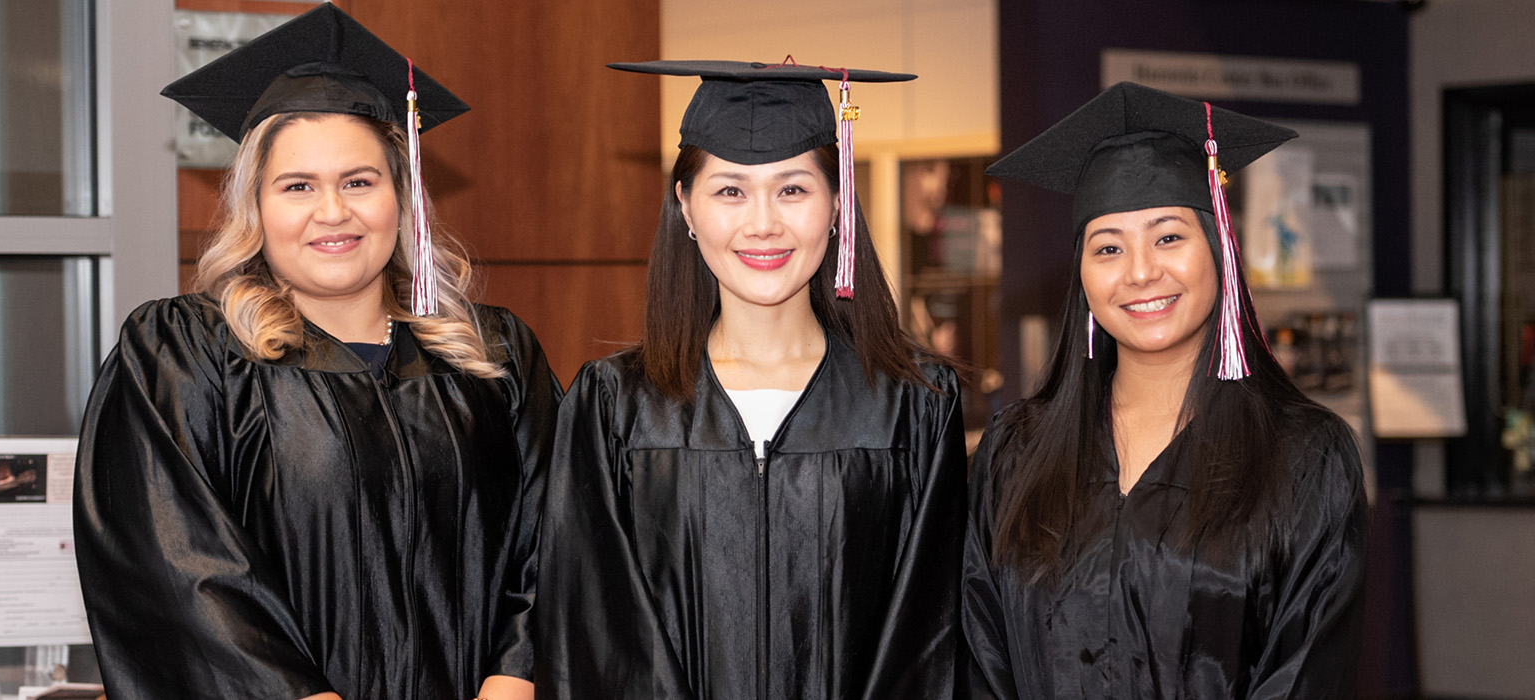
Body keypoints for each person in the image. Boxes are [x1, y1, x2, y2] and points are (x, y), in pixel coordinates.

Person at [73, 6, 557, 699]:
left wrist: (512, 680)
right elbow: (176, 563)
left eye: (360, 181)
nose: (334, 212)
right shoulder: (186, 356)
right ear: (256, 207)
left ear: (402, 196)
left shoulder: (494, 357)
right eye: (297, 186)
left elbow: (556, 533)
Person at [534, 60, 966, 699]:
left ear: (838, 203)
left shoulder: (913, 406)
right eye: (730, 191)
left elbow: (929, 641)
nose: (763, 223)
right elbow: (597, 638)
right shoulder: (614, 408)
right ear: (685, 205)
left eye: (793, 189)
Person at [963, 82, 1368, 699]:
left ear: (1219, 250)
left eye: (1169, 236)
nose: (1141, 271)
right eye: (1108, 247)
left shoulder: (1304, 456)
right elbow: (981, 657)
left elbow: (1305, 672)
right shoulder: (1015, 453)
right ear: (1082, 275)